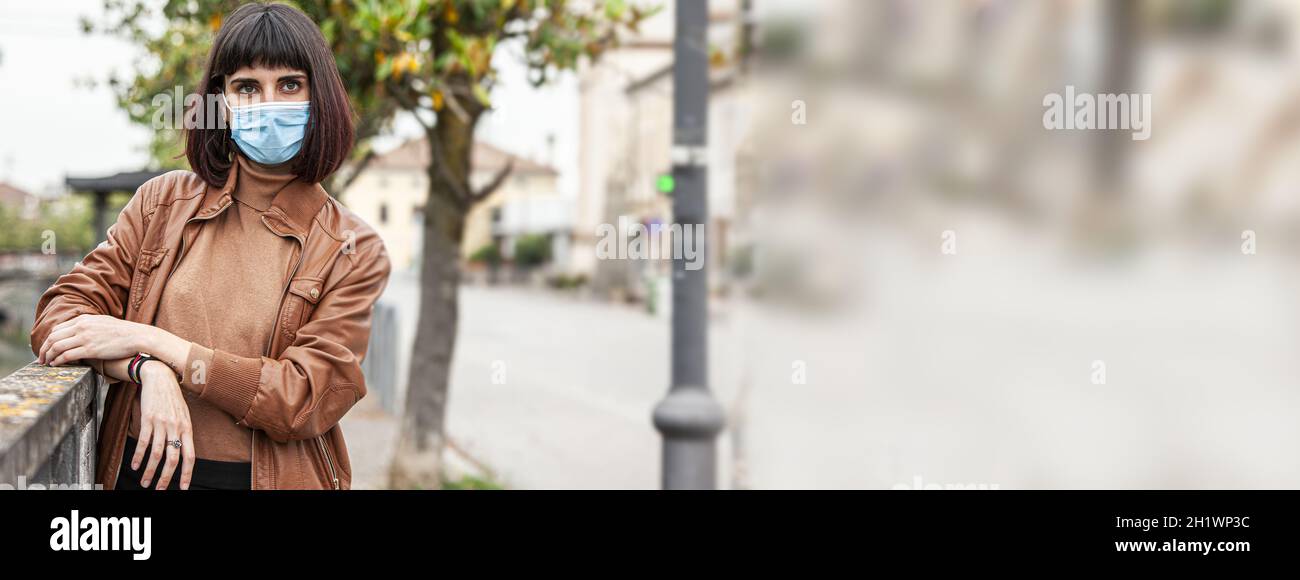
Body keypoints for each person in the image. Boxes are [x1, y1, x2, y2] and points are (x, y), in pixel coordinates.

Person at [30, 2, 390, 490]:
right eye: (247, 87)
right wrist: (144, 368)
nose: (269, 103)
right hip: (138, 475)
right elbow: (61, 317)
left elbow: (302, 398)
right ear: (220, 101)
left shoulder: (354, 248)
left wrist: (161, 344)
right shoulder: (162, 204)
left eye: (289, 85)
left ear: (318, 95)